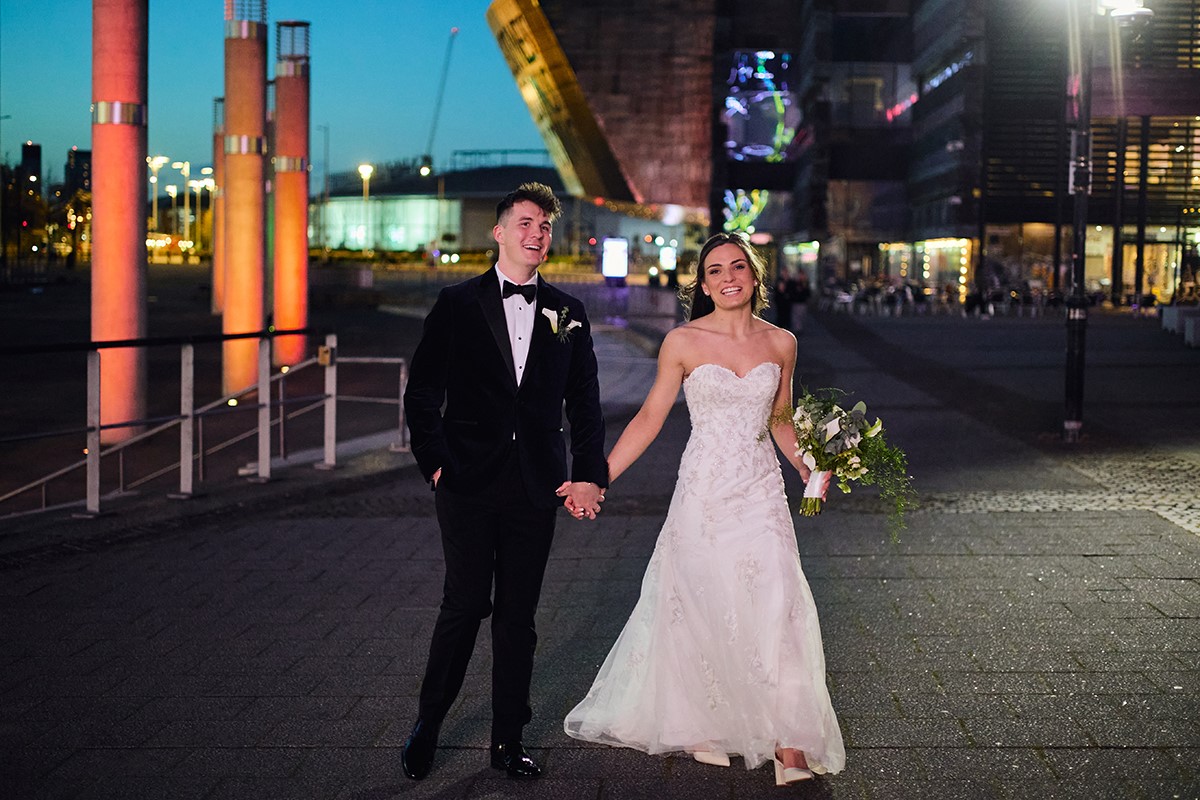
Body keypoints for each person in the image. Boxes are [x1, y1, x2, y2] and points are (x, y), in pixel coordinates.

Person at [562, 231, 845, 784]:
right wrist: (597, 479)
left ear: (755, 276)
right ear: (704, 283)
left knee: (778, 602)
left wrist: (810, 468)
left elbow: (781, 420)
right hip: (704, 491)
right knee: (698, 600)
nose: (728, 277)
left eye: (737, 267)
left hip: (761, 492)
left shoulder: (782, 343)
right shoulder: (683, 342)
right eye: (715, 271)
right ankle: (700, 726)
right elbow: (648, 419)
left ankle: (790, 746)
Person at [401, 182, 608, 781]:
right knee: (464, 606)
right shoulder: (457, 303)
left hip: (535, 485)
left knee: (518, 617)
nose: (536, 234)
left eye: (544, 226)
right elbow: (423, 392)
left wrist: (588, 475)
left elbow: (586, 403)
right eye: (524, 223)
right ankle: (429, 723)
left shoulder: (569, 311)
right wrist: (435, 463)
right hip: (466, 481)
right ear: (498, 232)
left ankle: (506, 739)